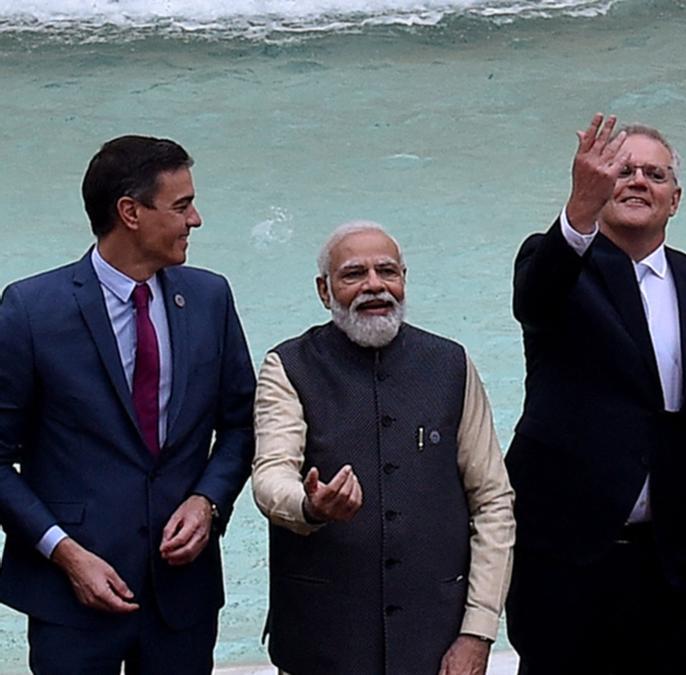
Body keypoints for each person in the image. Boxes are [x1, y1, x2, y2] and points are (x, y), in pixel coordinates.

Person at [0, 135, 256, 673]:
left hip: (181, 599)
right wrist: (64, 553)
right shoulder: (30, 310)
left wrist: (207, 502)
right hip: (71, 598)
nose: (197, 219)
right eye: (182, 205)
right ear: (130, 213)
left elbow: (239, 426)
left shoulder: (211, 298)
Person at [505, 114, 686, 674]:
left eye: (654, 174)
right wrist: (579, 207)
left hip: (674, 558)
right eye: (621, 170)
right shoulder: (555, 261)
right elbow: (534, 302)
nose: (637, 182)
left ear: (675, 199)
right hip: (567, 551)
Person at [252, 220, 515, 675]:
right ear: (324, 290)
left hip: (435, 643)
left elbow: (493, 501)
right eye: (354, 274)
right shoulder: (288, 366)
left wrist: (478, 631)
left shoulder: (451, 364)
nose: (375, 286)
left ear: (403, 280)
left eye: (387, 271)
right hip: (321, 642)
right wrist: (310, 506)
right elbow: (271, 475)